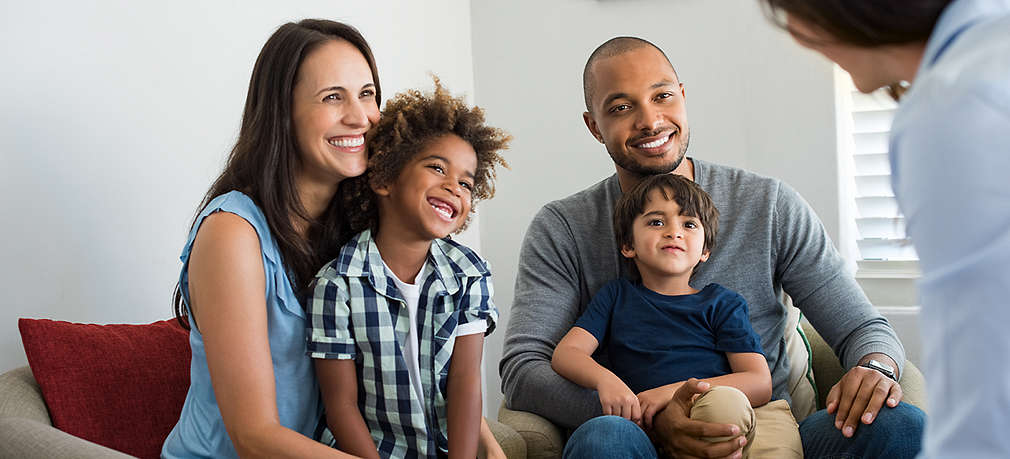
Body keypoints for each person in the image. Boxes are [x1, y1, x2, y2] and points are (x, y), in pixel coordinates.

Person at [499, 36, 926, 459]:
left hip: (760, 427)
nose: (650, 121)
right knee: (604, 439)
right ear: (595, 126)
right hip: (634, 434)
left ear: (682, 97)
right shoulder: (563, 228)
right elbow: (525, 369)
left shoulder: (768, 205)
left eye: (662, 96)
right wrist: (650, 414)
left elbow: (863, 328)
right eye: (621, 107)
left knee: (904, 427)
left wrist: (875, 367)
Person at [758, 0, 1010, 457]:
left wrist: (877, 364)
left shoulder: (953, 108)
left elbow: (983, 367)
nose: (794, 35)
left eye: (787, 11)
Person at [162, 20, 382, 458]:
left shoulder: (360, 228)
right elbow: (255, 437)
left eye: (368, 93)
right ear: (283, 110)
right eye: (332, 97)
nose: (360, 117)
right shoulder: (232, 233)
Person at [306, 78, 511, 459]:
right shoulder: (335, 286)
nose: (454, 187)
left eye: (467, 183)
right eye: (437, 167)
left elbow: (465, 387)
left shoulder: (470, 274)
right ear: (384, 178)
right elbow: (341, 407)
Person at [551, 173, 803, 458]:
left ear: (705, 250)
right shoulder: (616, 296)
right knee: (605, 433)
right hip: (645, 430)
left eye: (689, 224)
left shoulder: (722, 302)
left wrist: (668, 393)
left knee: (723, 405)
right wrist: (605, 380)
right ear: (628, 245)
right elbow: (567, 353)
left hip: (712, 413)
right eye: (656, 222)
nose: (674, 231)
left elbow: (758, 382)